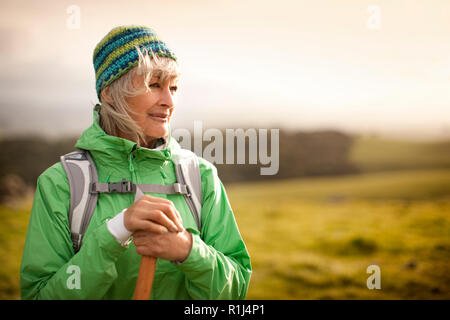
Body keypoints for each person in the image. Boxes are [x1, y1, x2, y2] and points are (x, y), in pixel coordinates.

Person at [20, 25, 252, 299]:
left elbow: (236, 289)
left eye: (173, 88)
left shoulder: (200, 176)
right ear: (108, 92)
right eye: (154, 85)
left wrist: (188, 250)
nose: (169, 101)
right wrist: (114, 233)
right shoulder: (61, 183)